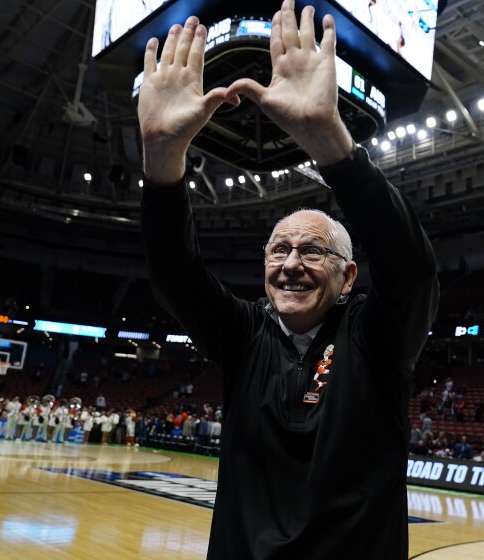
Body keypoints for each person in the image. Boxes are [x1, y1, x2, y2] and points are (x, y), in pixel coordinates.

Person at [137, 2, 439, 558]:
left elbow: (412, 269)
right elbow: (173, 274)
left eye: (313, 251)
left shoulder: (377, 339)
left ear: (348, 276)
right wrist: (163, 159)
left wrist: (331, 143)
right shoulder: (244, 334)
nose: (291, 263)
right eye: (279, 250)